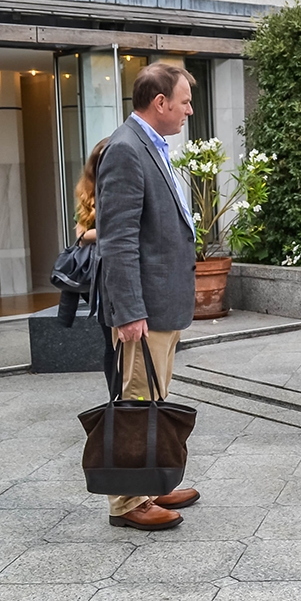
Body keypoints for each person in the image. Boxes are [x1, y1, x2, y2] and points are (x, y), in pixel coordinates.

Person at [95, 63, 201, 530]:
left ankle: (151, 482)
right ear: (159, 103)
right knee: (137, 400)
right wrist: (130, 310)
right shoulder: (125, 149)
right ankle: (128, 502)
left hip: (162, 302)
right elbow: (116, 240)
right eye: (184, 102)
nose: (188, 111)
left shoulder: (148, 145)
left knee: (153, 398)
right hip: (145, 309)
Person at [72, 138, 117, 376]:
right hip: (99, 277)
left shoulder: (122, 185)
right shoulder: (87, 190)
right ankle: (115, 400)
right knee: (110, 344)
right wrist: (114, 230)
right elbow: (80, 235)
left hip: (118, 269)